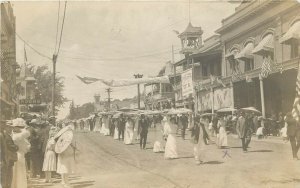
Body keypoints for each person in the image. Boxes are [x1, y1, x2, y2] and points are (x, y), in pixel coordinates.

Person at [11, 118, 31, 188]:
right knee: (18, 171)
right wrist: (24, 127)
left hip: (20, 154)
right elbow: (27, 133)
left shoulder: (16, 135)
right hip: (18, 154)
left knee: (18, 171)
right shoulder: (18, 136)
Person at [1, 120, 19, 188]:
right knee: (8, 176)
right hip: (8, 157)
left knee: (8, 176)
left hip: (7, 158)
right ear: (6, 127)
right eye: (9, 127)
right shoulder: (6, 135)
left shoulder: (6, 135)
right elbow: (10, 146)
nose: (11, 129)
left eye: (11, 127)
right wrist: (17, 147)